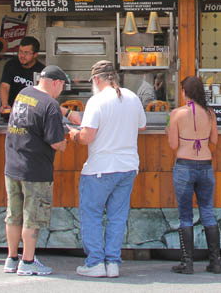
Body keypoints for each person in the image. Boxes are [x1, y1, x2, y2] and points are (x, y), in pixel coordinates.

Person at [67, 60, 146, 278]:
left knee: (91, 214)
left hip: (101, 168)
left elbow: (86, 137)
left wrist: (74, 134)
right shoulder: (132, 97)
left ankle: (94, 263)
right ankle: (112, 263)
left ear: (97, 79)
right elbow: (142, 125)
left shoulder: (96, 101)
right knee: (117, 216)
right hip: (128, 166)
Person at [2, 65, 74, 276]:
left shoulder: (24, 94)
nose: (61, 91)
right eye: (62, 86)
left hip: (12, 165)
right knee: (32, 218)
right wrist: (67, 140)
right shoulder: (50, 105)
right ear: (56, 83)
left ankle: (11, 258)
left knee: (13, 215)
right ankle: (28, 261)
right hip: (35, 169)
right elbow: (56, 143)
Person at [165, 75, 221, 275]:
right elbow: (214, 140)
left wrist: (168, 131)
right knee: (207, 211)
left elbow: (173, 145)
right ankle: (215, 262)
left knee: (185, 215)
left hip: (184, 166)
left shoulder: (177, 114)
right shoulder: (210, 113)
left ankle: (187, 262)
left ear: (185, 92)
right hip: (205, 165)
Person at [0, 36, 45, 118]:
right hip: (11, 114)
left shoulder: (42, 70)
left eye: (26, 53)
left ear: (35, 55)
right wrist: (5, 105)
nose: (22, 56)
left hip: (32, 116)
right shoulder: (11, 65)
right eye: (20, 51)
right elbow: (4, 86)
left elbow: (43, 96)